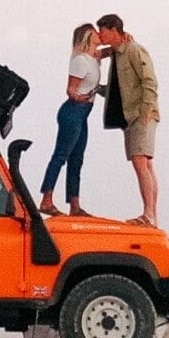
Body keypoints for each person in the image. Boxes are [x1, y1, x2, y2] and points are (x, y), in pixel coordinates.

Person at [95, 13, 159, 225]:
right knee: (144, 163)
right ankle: (151, 215)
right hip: (129, 116)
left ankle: (149, 214)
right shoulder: (118, 52)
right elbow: (119, 85)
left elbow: (149, 81)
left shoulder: (133, 49)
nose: (100, 35)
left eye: (103, 31)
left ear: (113, 30)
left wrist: (145, 111)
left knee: (141, 161)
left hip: (141, 114)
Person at [36, 24, 100, 216]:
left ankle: (75, 204)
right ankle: (46, 199)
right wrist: (80, 97)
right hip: (74, 110)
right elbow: (71, 89)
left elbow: (111, 50)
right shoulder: (80, 60)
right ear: (88, 36)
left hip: (83, 113)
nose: (99, 34)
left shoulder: (93, 58)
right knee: (61, 155)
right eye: (95, 32)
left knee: (77, 158)